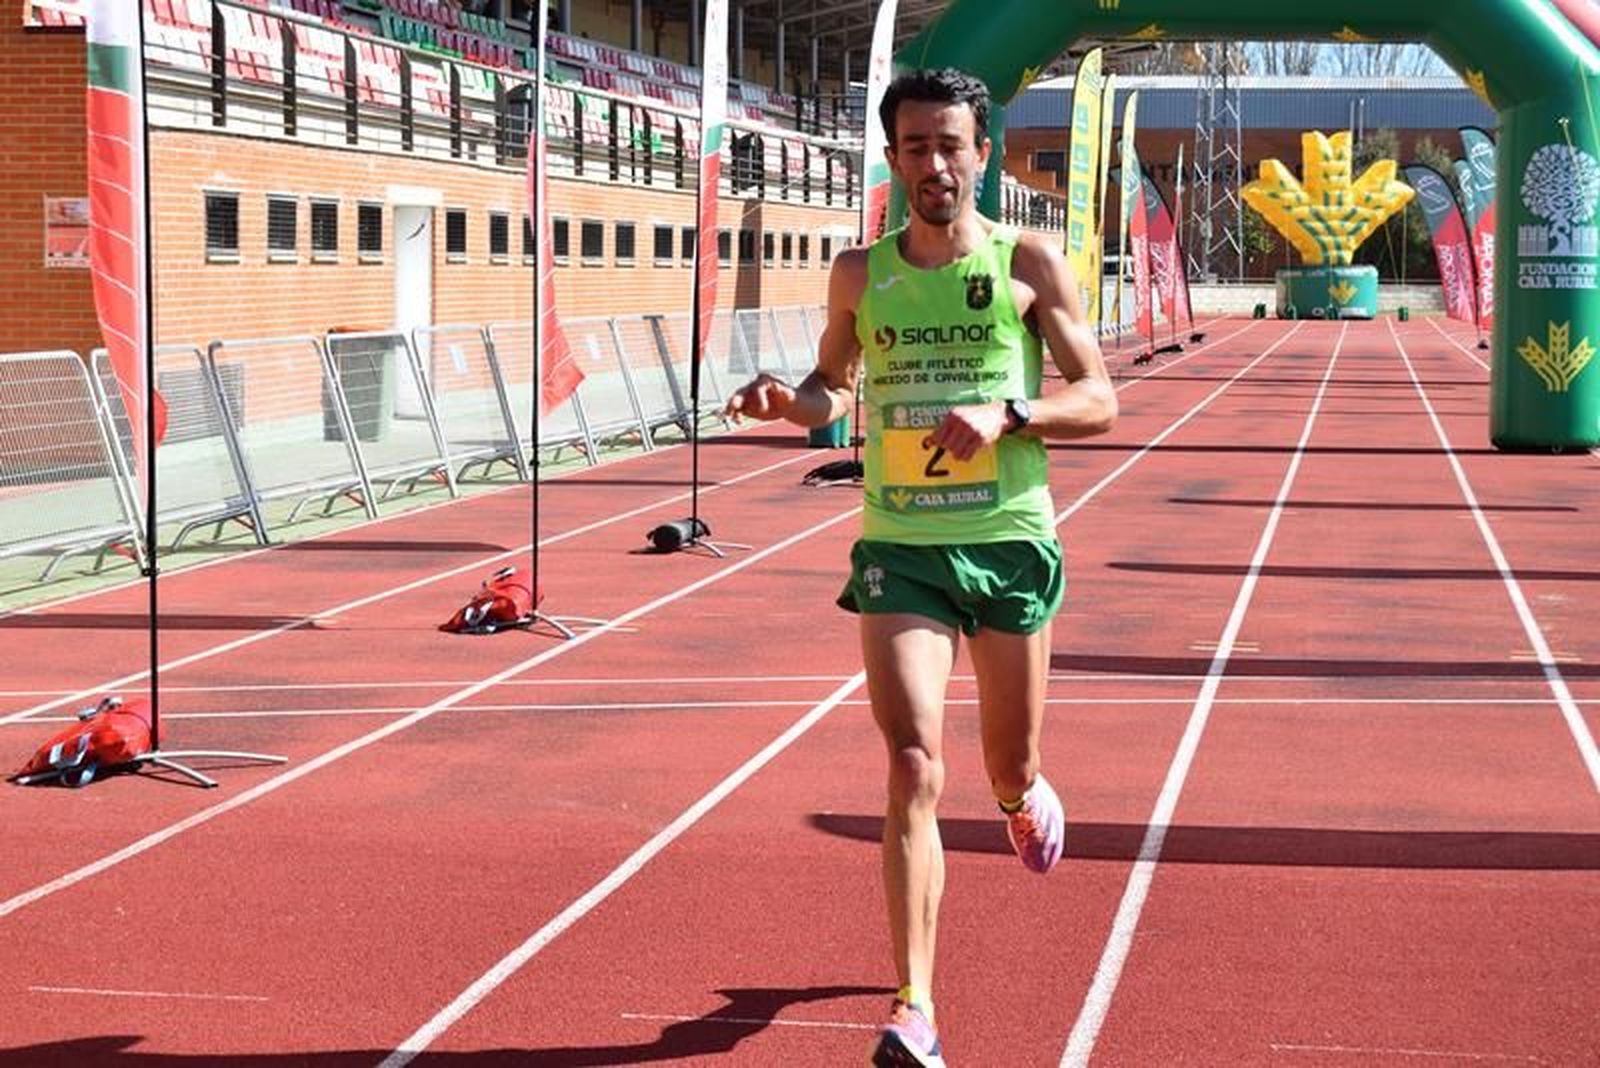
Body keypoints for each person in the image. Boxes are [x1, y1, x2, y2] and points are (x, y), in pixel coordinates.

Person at [724, 67, 1117, 1067]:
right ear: (894, 159)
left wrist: (1010, 412)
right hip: (900, 542)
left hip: (1007, 539)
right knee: (910, 763)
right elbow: (830, 385)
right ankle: (915, 1009)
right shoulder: (861, 274)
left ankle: (1020, 797)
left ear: (981, 152)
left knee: (1005, 764)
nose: (933, 165)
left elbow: (1099, 399)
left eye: (949, 145)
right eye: (914, 148)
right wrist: (787, 403)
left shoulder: (1027, 261)